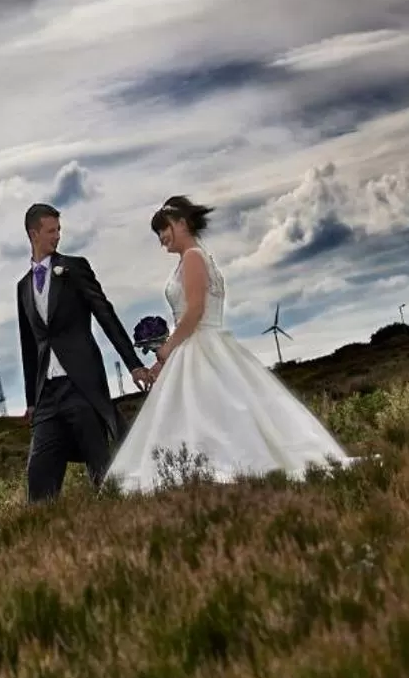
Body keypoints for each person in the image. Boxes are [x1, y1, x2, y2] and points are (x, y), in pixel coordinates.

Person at [106, 195, 353, 492]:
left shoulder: (193, 257)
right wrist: (163, 360)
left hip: (199, 345)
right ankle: (206, 468)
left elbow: (195, 311)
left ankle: (215, 468)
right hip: (199, 344)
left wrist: (167, 348)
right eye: (158, 232)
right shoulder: (195, 257)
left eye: (164, 228)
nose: (161, 237)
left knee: (203, 412)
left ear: (182, 223)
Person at [15, 202, 153, 502]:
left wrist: (133, 364)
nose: (57, 236)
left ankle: (123, 515)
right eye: (51, 231)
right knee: (39, 480)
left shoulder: (75, 268)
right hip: (46, 395)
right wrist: (31, 401)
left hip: (81, 386)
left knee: (102, 472)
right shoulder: (22, 287)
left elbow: (106, 315)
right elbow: (29, 347)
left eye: (59, 230)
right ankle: (42, 525)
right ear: (33, 234)